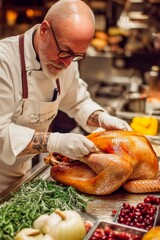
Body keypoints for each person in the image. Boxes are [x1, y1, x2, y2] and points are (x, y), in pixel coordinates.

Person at [0, 0, 131, 193]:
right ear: (44, 30)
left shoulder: (67, 60)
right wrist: (56, 142)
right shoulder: (4, 61)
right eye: (65, 52)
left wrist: (103, 119)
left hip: (20, 174)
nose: (67, 63)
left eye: (77, 56)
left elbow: (77, 102)